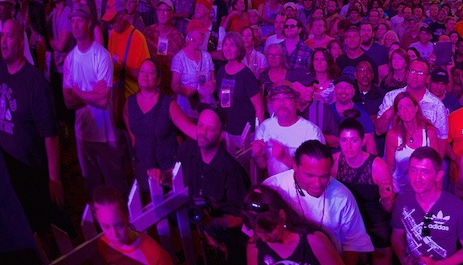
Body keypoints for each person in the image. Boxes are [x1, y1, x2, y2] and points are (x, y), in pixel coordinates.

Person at [0, 18, 64, 234]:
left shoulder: (35, 82)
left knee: (37, 228)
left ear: (20, 43)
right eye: (2, 36)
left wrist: (54, 178)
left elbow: (50, 134)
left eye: (9, 36)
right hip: (7, 168)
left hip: (31, 172)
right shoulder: (1, 71)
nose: (3, 41)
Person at [264, 140, 374, 264]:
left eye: (324, 176)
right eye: (310, 176)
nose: (317, 184)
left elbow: (353, 243)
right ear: (295, 166)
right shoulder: (273, 188)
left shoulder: (343, 196)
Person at [62, 2, 128, 199]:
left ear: (89, 23)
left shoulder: (101, 56)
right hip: (82, 133)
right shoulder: (70, 59)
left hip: (104, 134)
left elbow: (102, 100)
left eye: (79, 21)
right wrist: (91, 92)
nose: (74, 25)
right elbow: (68, 103)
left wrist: (77, 91)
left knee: (116, 186)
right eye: (72, 21)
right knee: (92, 186)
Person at [177, 107, 251, 264]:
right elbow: (176, 173)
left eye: (210, 128)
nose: (202, 132)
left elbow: (241, 217)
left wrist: (214, 222)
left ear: (220, 135)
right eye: (200, 125)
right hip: (205, 240)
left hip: (229, 245)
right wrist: (164, 176)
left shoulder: (232, 171)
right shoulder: (190, 152)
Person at [390, 146, 463, 265]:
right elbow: (397, 235)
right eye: (413, 170)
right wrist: (403, 258)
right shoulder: (402, 202)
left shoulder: (458, 208)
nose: (417, 178)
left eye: (425, 172)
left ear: (438, 175)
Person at [125, 58, 197, 189]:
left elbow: (190, 130)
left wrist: (213, 134)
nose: (145, 74)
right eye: (142, 71)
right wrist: (134, 140)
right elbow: (126, 116)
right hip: (144, 170)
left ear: (158, 80)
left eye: (151, 72)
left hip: (168, 173)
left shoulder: (168, 104)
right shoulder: (130, 103)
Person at [332, 118, 394, 265]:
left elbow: (388, 208)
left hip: (374, 218)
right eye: (344, 140)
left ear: (362, 141)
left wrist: (386, 199)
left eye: (353, 140)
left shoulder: (377, 165)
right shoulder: (335, 162)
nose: (348, 146)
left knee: (382, 253)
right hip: (348, 219)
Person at [243, 185, 343, 265]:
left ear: (282, 216)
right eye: (258, 232)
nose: (264, 238)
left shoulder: (314, 241)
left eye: (268, 231)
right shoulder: (255, 246)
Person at [252, 84, 325, 177]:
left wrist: (284, 157)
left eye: (286, 98)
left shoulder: (311, 131)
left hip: (302, 187)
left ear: (296, 103)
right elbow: (262, 165)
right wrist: (258, 154)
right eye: (276, 99)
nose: (281, 103)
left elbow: (315, 172)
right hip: (275, 185)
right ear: (272, 105)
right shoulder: (265, 126)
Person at [92, 184, 172, 265]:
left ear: (127, 217)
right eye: (106, 226)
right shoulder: (104, 245)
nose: (114, 234)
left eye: (119, 225)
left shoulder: (153, 253)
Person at [376, 57, 449, 142]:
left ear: (428, 78)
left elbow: (442, 140)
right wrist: (391, 111)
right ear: (407, 74)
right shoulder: (391, 97)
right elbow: (378, 131)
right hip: (394, 152)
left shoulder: (437, 105)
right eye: (412, 71)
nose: (415, 76)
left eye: (420, 73)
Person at [216, 32, 264, 150]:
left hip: (246, 132)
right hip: (227, 130)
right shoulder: (221, 72)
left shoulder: (246, 75)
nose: (228, 48)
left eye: (232, 45)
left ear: (239, 49)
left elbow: (259, 108)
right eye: (225, 44)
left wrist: (259, 136)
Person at [386, 91, 441, 192]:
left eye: (408, 105)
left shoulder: (429, 132)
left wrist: (437, 192)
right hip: (400, 189)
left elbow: (437, 166)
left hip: (425, 189)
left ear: (416, 108)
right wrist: (388, 192)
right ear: (398, 113)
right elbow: (389, 166)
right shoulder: (392, 135)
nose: (405, 110)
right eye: (401, 107)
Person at [171, 27, 215, 119]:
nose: (204, 36)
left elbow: (213, 79)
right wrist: (184, 91)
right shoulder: (179, 58)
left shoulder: (207, 56)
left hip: (205, 106)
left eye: (204, 34)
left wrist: (212, 83)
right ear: (191, 35)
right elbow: (174, 85)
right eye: (201, 33)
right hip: (186, 107)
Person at [142, 0, 184, 91]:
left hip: (169, 87)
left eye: (166, 10)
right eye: (160, 10)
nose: (162, 13)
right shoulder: (148, 32)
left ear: (172, 13)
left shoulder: (179, 37)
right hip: (149, 85)